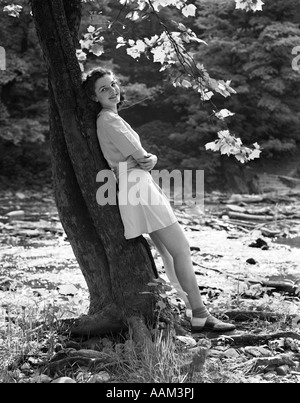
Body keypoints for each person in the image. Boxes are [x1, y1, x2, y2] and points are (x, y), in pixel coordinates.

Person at [83, 67, 236, 333]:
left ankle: (194, 311)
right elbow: (143, 157)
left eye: (114, 84)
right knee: (181, 250)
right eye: (103, 89)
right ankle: (200, 313)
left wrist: (148, 161)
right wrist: (152, 159)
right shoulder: (109, 120)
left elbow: (140, 158)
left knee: (168, 253)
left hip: (133, 186)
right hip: (138, 186)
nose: (112, 90)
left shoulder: (108, 119)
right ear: (94, 97)